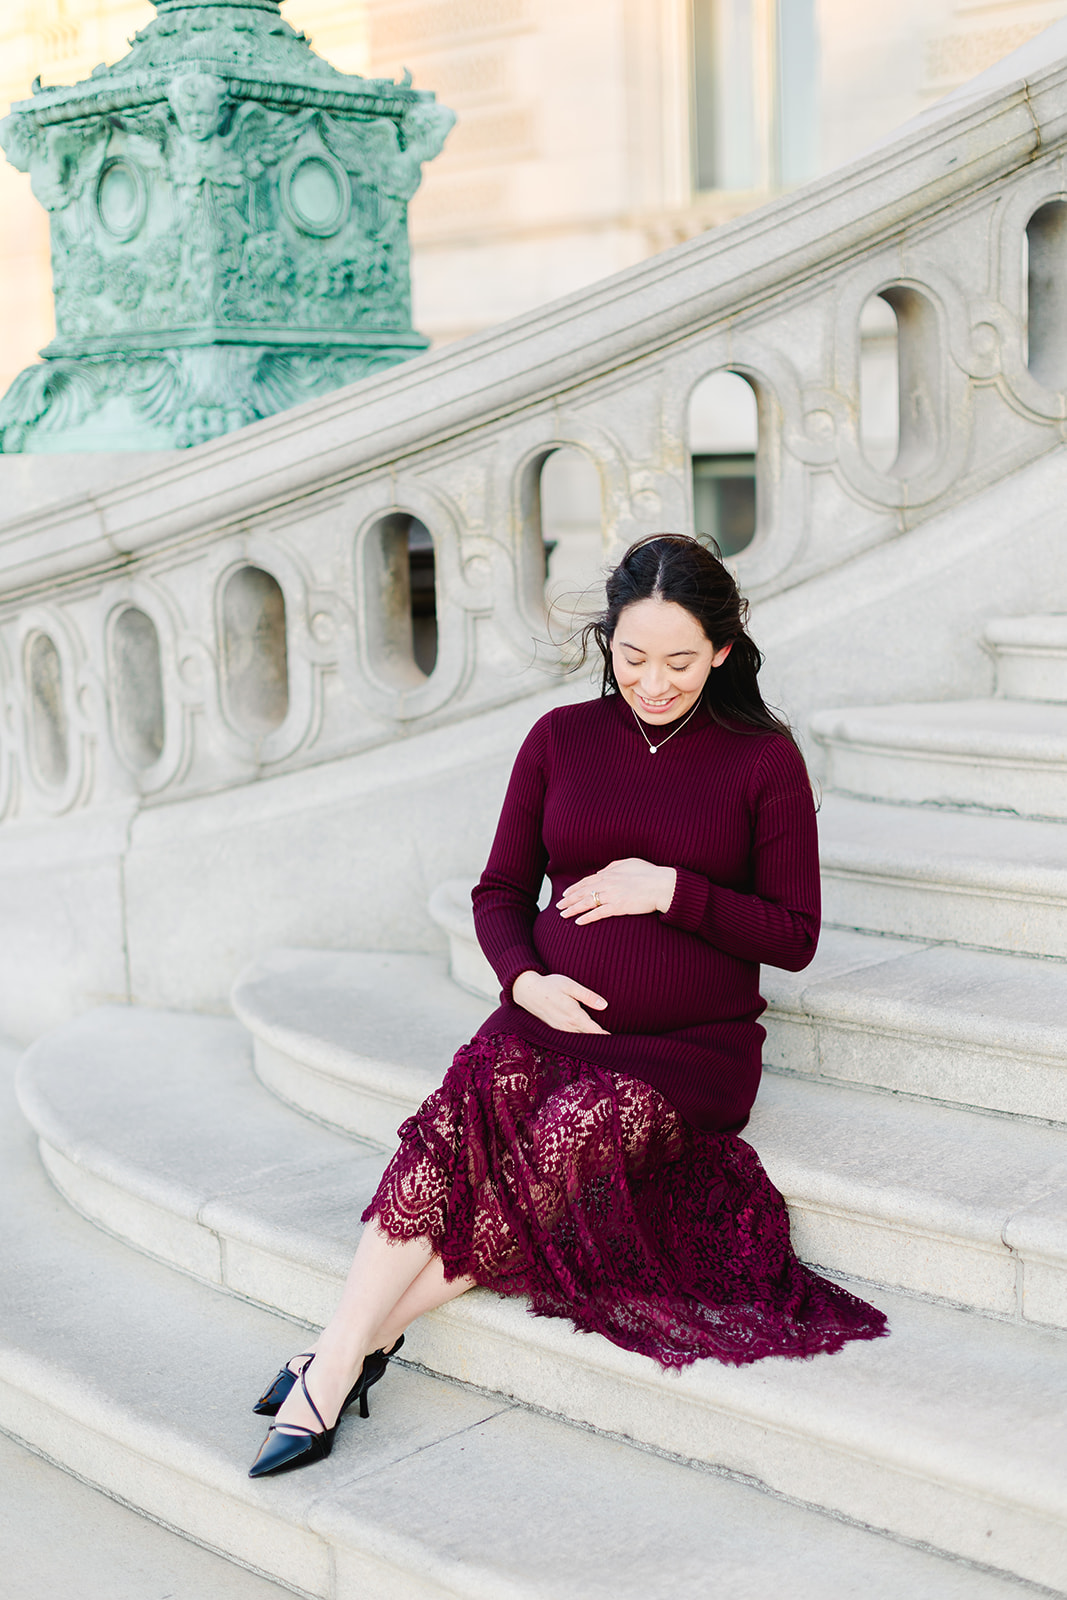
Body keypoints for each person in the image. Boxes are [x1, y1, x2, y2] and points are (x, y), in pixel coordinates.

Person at [249, 533, 888, 1478]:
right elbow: (499, 892)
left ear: (721, 649)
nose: (654, 681)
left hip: (688, 1049)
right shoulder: (559, 740)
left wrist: (668, 888)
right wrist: (525, 980)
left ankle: (335, 1363)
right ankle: (349, 1348)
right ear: (607, 645)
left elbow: (792, 934)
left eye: (679, 660)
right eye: (632, 658)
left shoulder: (762, 760)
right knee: (450, 1137)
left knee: (558, 1145)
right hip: (544, 1011)